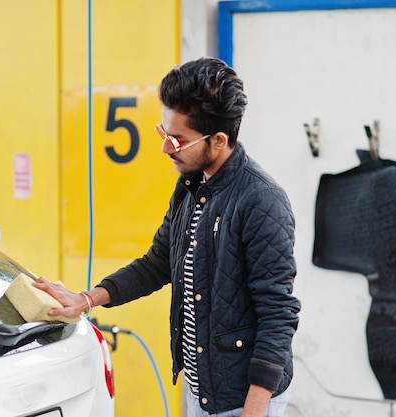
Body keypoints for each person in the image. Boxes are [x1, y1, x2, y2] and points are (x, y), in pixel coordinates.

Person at [33, 56, 301, 417]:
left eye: (177, 140)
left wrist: (253, 412)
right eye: (164, 133)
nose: (166, 148)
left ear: (219, 140)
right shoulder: (191, 188)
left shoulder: (261, 200)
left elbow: (278, 315)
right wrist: (85, 299)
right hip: (200, 389)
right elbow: (157, 263)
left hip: (244, 401)